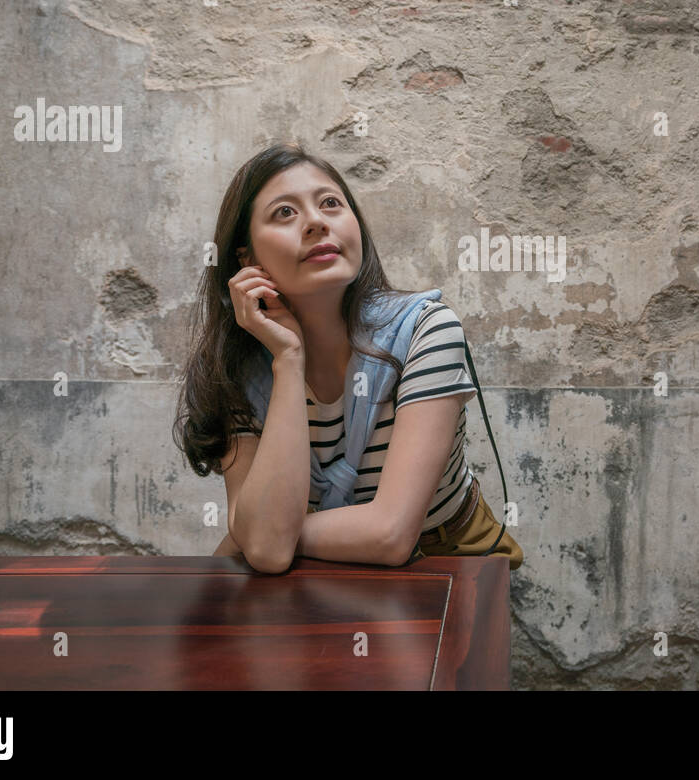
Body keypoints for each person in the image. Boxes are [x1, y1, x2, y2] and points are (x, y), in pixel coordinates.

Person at [174, 143, 523, 574]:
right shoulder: (237, 369)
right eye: (285, 212)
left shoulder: (425, 330)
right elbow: (267, 551)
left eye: (331, 204)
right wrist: (287, 359)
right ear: (247, 259)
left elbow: (390, 535)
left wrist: (267, 533)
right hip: (321, 575)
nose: (316, 222)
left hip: (446, 564)